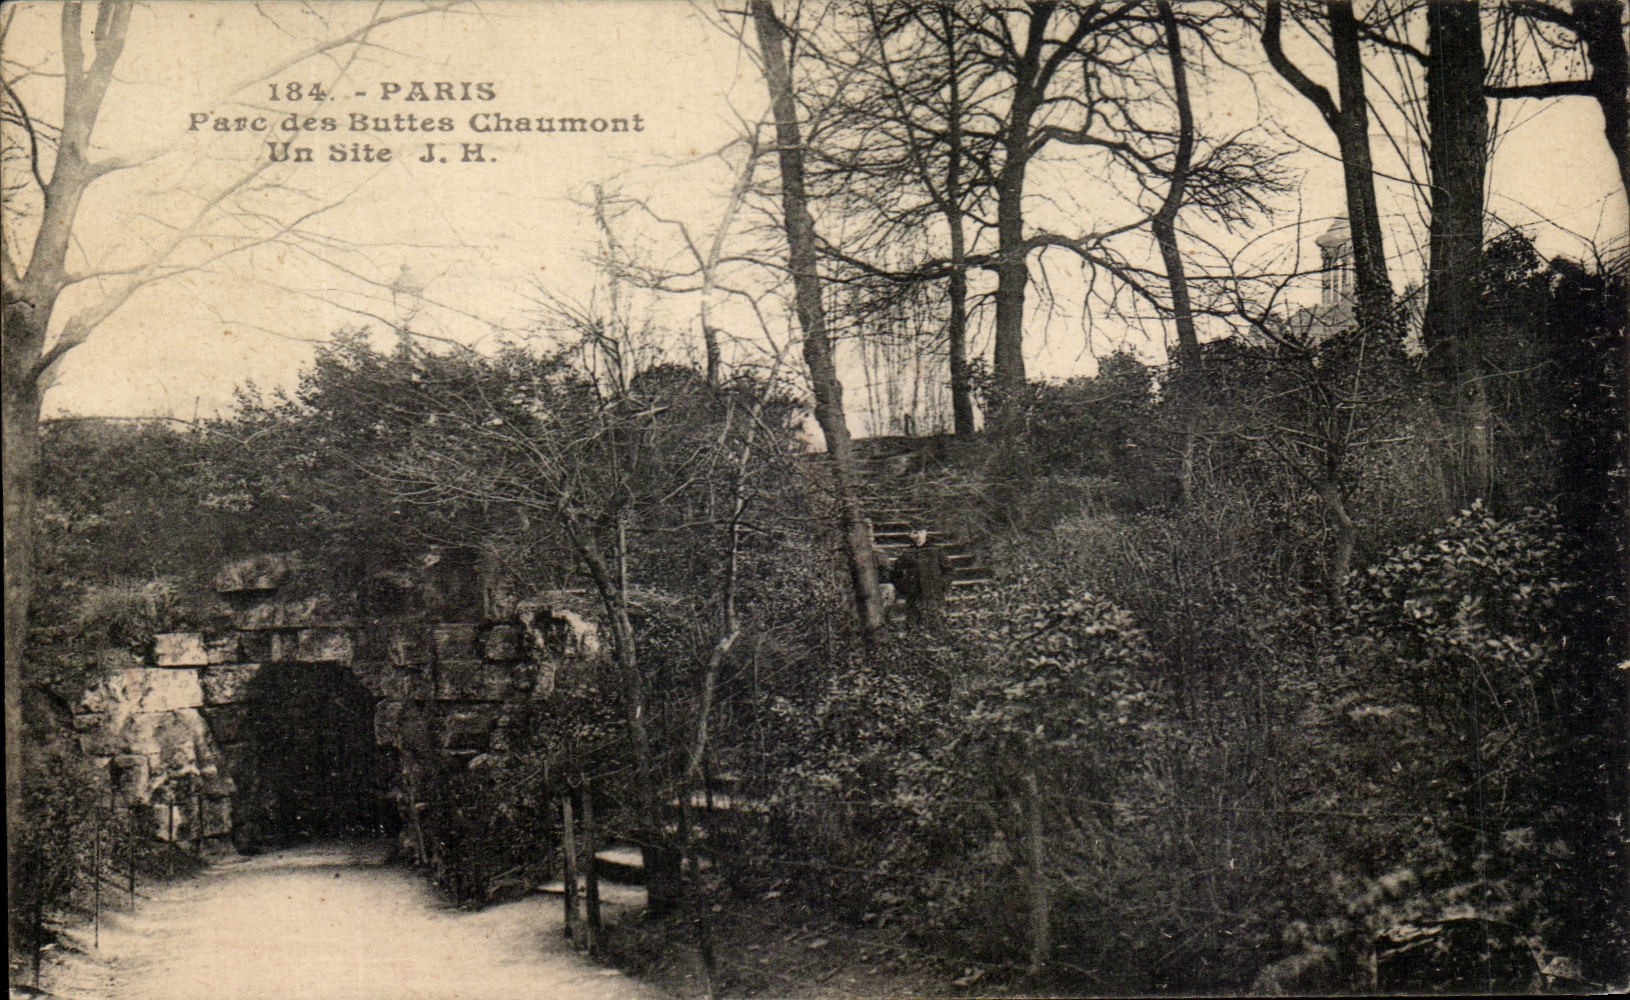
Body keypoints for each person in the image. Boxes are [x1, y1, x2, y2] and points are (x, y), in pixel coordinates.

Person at [889, 528, 952, 629]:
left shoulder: (937, 551)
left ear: (926, 533)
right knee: (913, 625)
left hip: (933, 593)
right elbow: (895, 575)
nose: (918, 535)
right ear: (910, 535)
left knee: (936, 623)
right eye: (914, 532)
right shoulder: (906, 553)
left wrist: (940, 584)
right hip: (914, 595)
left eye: (921, 532)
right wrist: (905, 587)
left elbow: (949, 571)